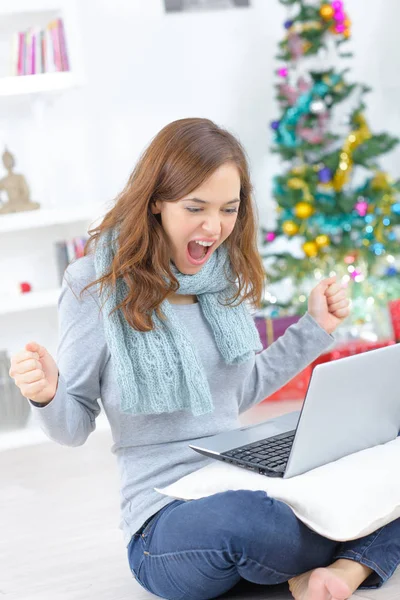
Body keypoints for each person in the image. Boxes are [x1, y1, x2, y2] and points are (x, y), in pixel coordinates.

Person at [9, 118, 399, 600]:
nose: (213, 227)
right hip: (168, 521)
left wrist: (313, 328)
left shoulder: (224, 279)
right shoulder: (95, 285)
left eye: (228, 209)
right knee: (247, 517)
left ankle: (341, 571)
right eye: (195, 207)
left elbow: (244, 389)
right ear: (156, 202)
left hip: (239, 474)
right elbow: (72, 428)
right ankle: (356, 552)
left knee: (383, 461)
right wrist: (47, 394)